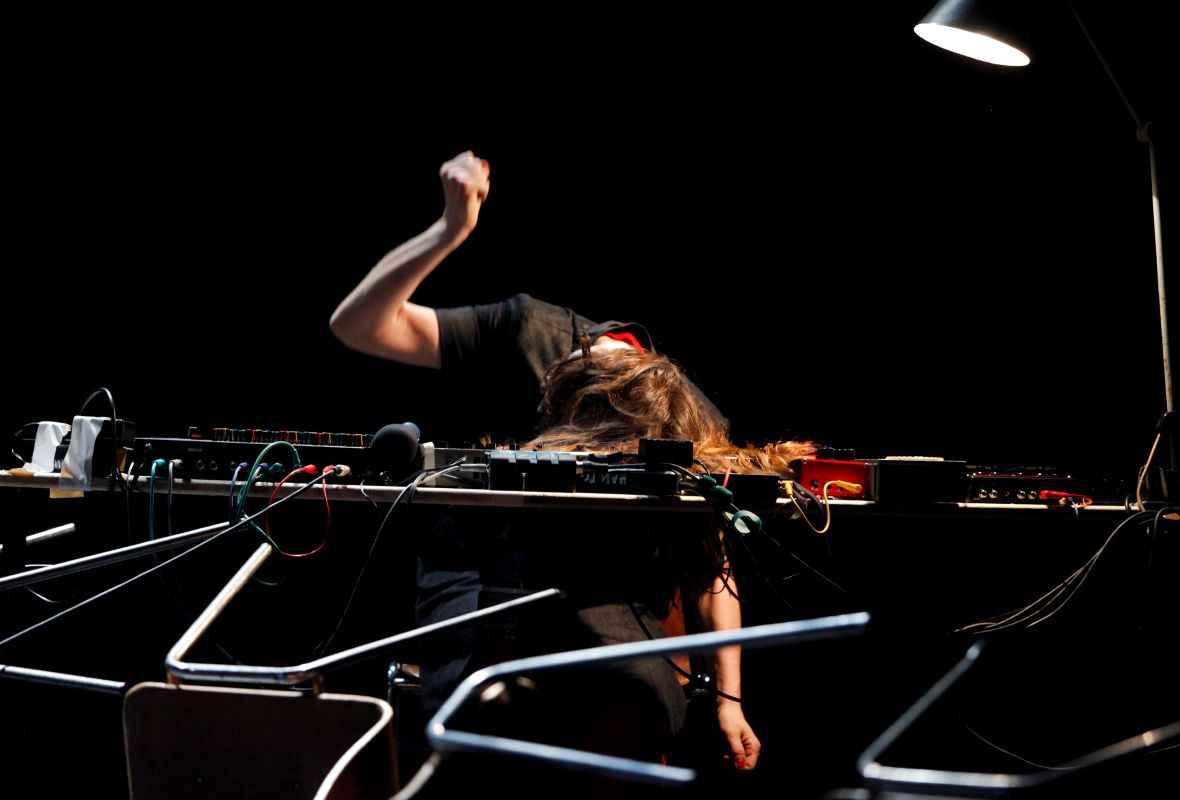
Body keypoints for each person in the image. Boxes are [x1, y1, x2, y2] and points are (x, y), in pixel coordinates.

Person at [329, 151, 816, 789]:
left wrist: (729, 700)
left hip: (606, 588)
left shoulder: (685, 415)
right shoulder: (527, 331)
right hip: (484, 569)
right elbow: (357, 325)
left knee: (631, 706)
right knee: (492, 705)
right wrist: (449, 231)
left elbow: (710, 563)